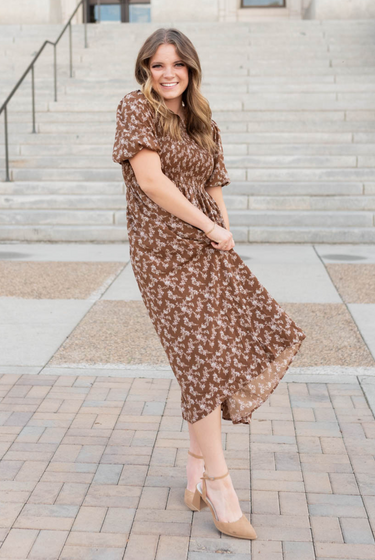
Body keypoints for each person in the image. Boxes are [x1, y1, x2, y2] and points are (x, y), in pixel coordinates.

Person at [112, 27, 306, 540]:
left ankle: (195, 476)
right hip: (162, 255)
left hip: (209, 248)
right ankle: (220, 489)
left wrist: (225, 230)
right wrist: (209, 226)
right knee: (199, 360)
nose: (168, 73)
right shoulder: (135, 109)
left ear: (191, 68)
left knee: (231, 348)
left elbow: (213, 182)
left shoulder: (201, 118)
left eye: (177, 64)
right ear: (145, 70)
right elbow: (152, 182)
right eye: (157, 64)